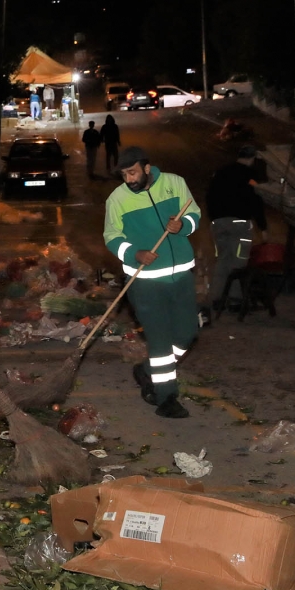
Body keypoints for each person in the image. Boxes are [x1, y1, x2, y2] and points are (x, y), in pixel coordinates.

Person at [104, 146, 202, 419]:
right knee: (160, 341)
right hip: (145, 281)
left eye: (132, 172)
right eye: (124, 175)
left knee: (187, 333)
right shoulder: (117, 199)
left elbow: (194, 214)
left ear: (146, 168)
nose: (129, 179)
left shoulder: (175, 183)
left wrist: (183, 226)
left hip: (181, 275)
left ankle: (147, 370)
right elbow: (112, 237)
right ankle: (165, 397)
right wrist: (134, 254)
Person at [205, 145, 268, 313]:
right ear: (252, 159)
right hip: (239, 223)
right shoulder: (249, 175)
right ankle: (235, 300)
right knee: (239, 263)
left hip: (218, 223)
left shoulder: (220, 172)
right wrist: (262, 227)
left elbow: (209, 196)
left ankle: (217, 298)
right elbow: (256, 199)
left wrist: (215, 218)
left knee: (223, 260)